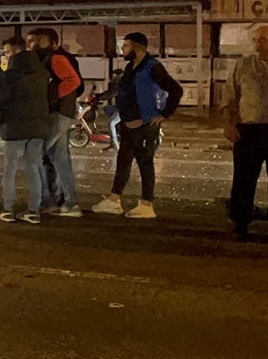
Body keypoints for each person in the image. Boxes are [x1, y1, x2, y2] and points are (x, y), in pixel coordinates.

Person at [92, 32, 183, 218]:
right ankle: (114, 200)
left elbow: (175, 90)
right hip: (128, 125)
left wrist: (164, 114)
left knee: (145, 164)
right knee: (123, 163)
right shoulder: (130, 67)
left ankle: (147, 204)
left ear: (138, 48)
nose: (122, 49)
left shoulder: (152, 67)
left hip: (144, 126)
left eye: (126, 46)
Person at [223, 24, 268, 241]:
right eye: (255, 40)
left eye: (263, 39)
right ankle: (241, 220)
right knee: (244, 178)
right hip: (250, 130)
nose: (257, 44)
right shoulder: (244, 65)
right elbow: (230, 97)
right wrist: (229, 124)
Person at [27, 28, 84, 217]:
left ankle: (47, 200)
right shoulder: (49, 59)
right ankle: (70, 203)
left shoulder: (55, 59)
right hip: (61, 114)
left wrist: (53, 96)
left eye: (37, 40)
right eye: (30, 41)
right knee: (60, 159)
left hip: (58, 114)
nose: (32, 44)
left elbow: (73, 81)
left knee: (35, 154)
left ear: (50, 42)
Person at [0, 36, 50, 223]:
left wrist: (2, 123)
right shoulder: (42, 75)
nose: (5, 56)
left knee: (10, 169)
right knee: (33, 168)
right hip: (38, 128)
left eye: (7, 53)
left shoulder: (11, 75)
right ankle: (33, 210)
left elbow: (2, 101)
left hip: (15, 128)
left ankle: (8, 209)